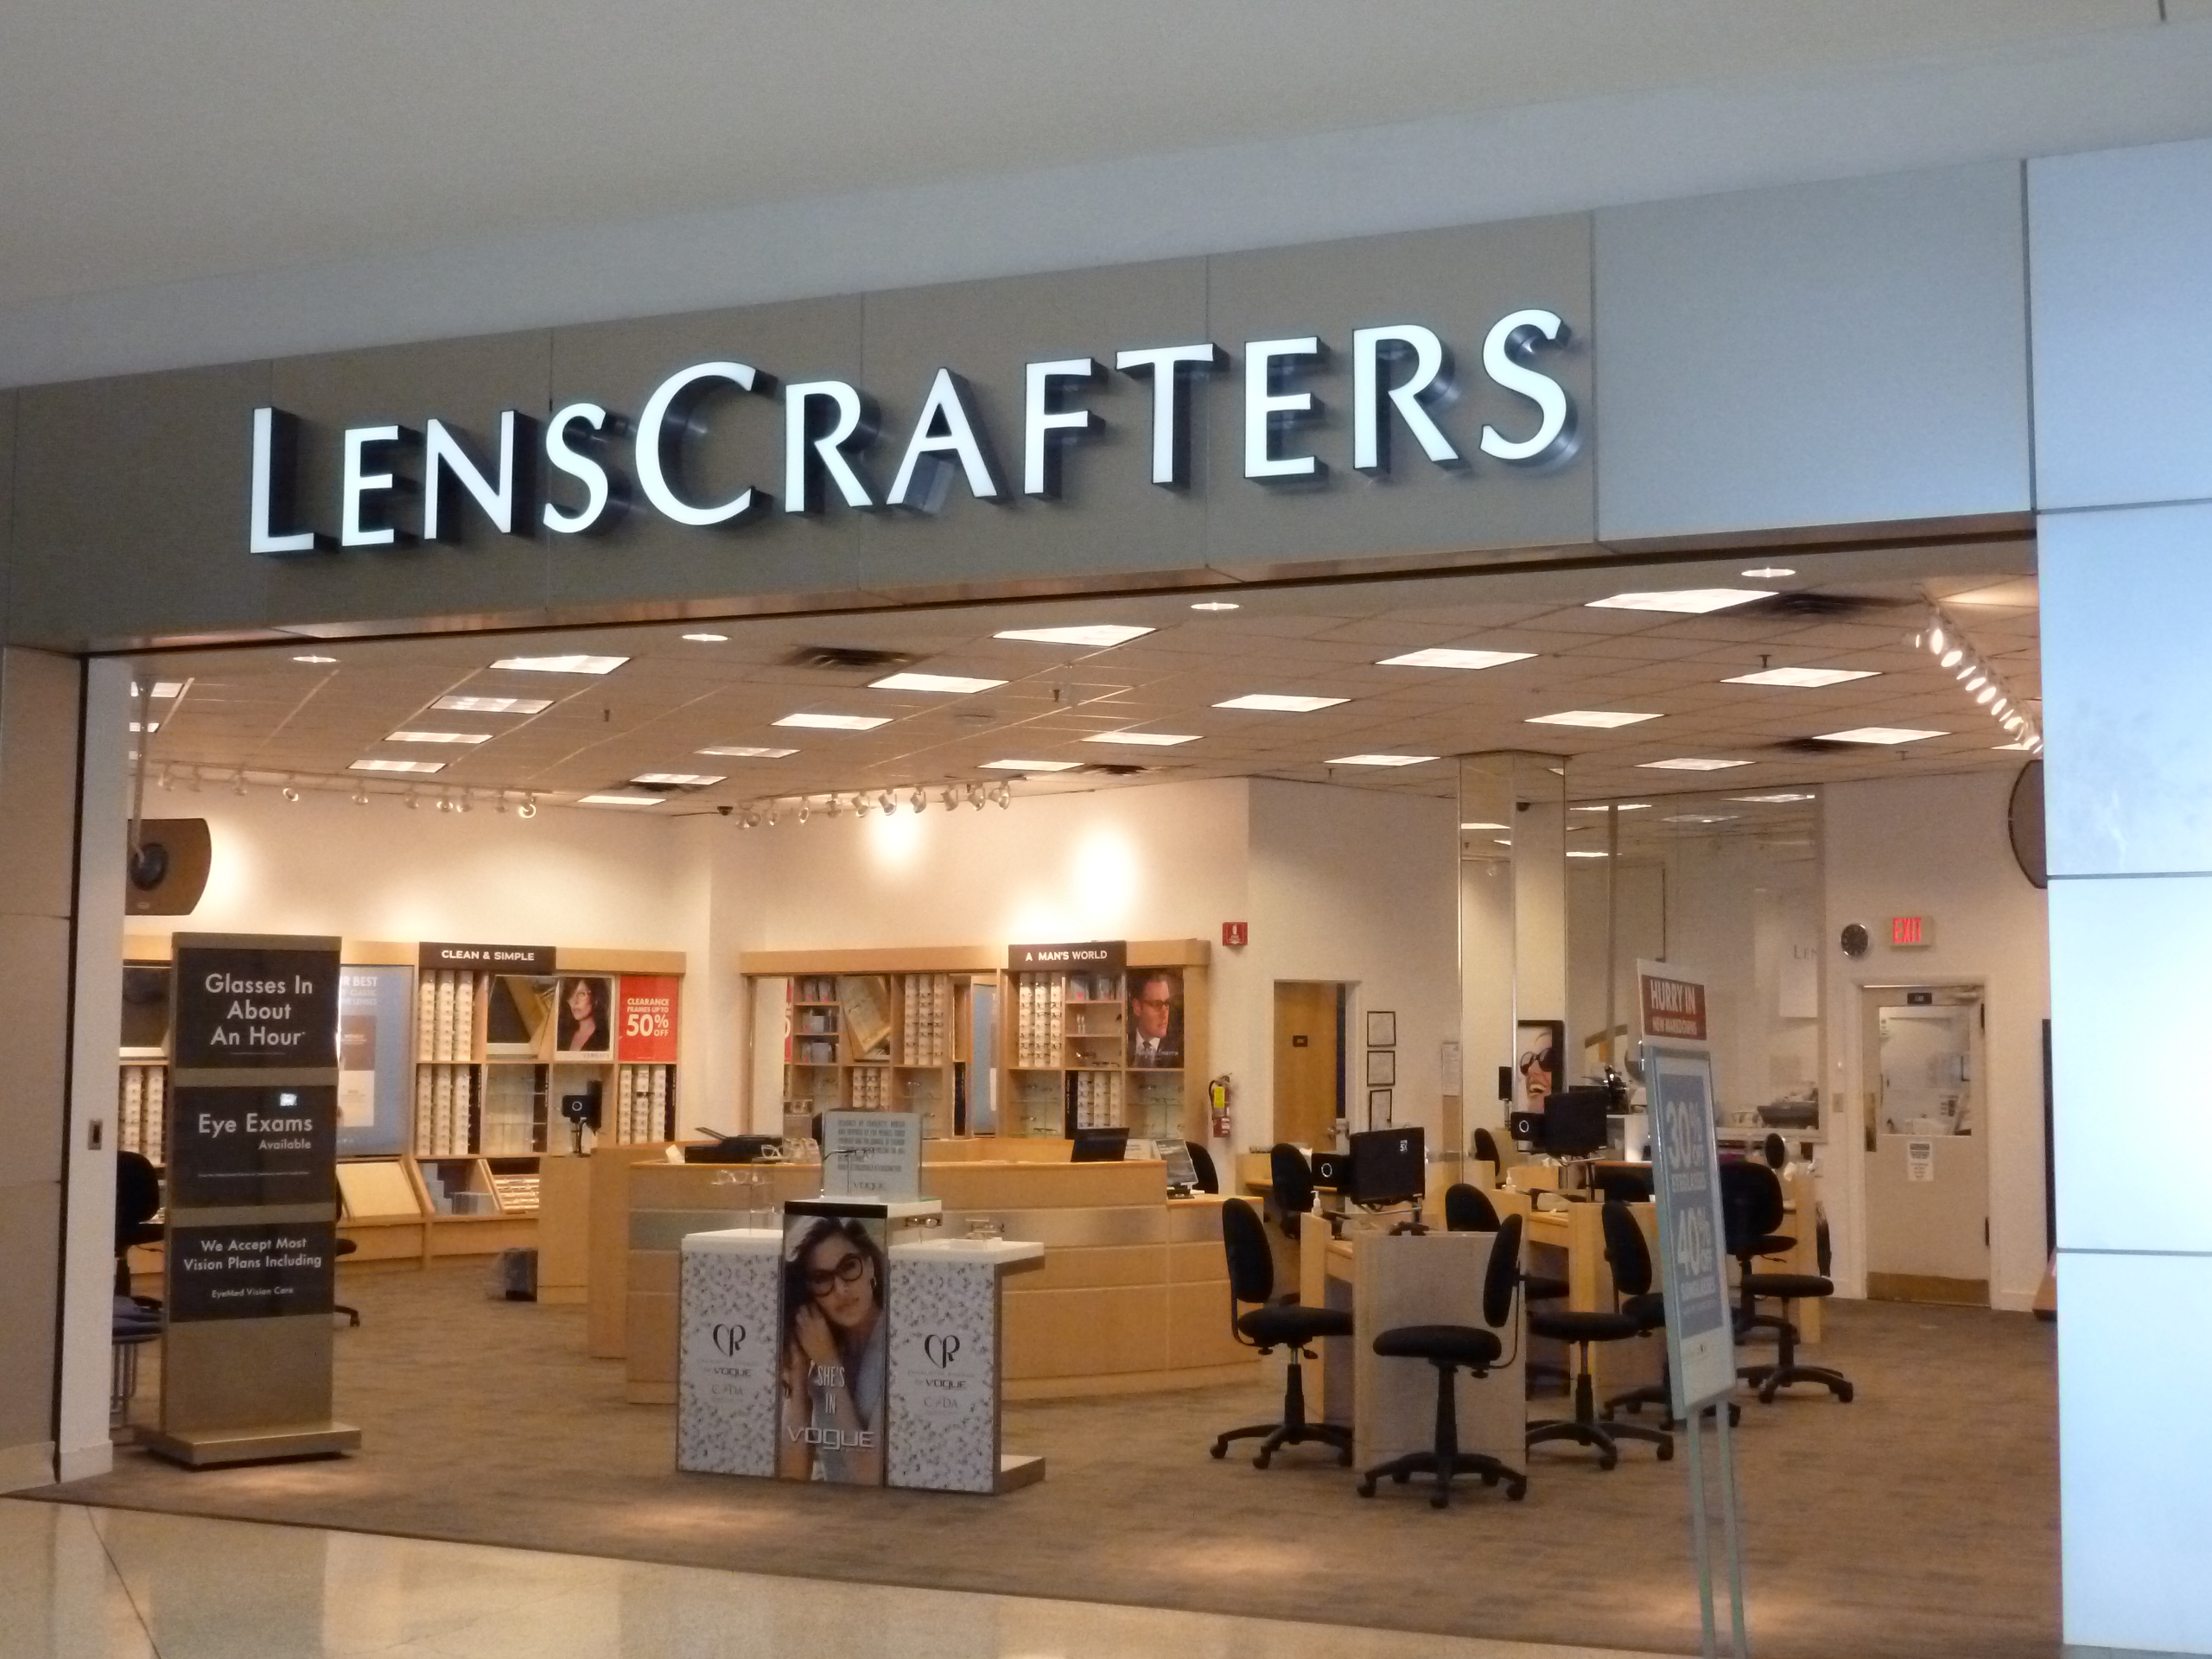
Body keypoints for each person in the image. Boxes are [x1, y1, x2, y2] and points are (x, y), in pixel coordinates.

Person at [776, 1216, 888, 1484]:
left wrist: (829, 1365)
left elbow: (867, 1476)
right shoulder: (820, 1343)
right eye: (821, 1279)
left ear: (870, 1265)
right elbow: (791, 1475)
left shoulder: (901, 1343)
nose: (841, 1289)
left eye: (849, 1267)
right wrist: (799, 1378)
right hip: (831, 1509)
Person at [1127, 970, 1182, 1068]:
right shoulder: (1124, 1040)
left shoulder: (1179, 1048)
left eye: (1167, 1003)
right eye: (1157, 1004)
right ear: (1137, 1007)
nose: (1165, 1013)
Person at [556, 976, 606, 1053]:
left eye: (581, 994)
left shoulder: (604, 1039)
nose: (574, 1002)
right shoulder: (562, 1033)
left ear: (596, 998)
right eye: (570, 995)